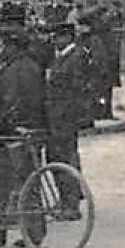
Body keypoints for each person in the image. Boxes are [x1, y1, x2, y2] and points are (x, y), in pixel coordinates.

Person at [0, 22, 47, 248]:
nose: (4, 49)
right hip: (33, 131)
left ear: (14, 46)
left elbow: (10, 105)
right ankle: (35, 233)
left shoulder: (14, 70)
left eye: (6, 45)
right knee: (30, 182)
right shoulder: (33, 66)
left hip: (15, 136)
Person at [43, 22, 86, 214]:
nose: (55, 40)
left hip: (65, 119)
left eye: (58, 37)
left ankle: (71, 205)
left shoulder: (75, 58)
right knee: (57, 158)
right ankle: (64, 200)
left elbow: (76, 90)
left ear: (68, 37)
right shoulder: (61, 57)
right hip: (57, 118)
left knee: (65, 159)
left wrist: (66, 115)